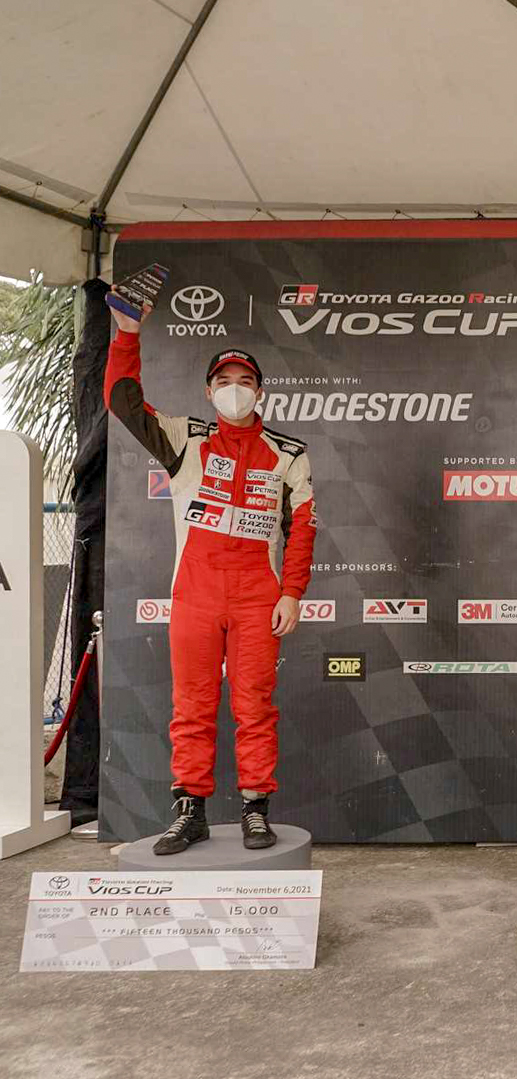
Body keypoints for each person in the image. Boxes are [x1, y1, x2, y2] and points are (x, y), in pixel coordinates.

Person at [104, 297, 316, 854]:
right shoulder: (186, 439)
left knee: (254, 707)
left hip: (257, 596)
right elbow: (123, 402)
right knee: (192, 706)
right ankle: (190, 812)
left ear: (260, 391)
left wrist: (292, 593)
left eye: (245, 381)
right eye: (224, 381)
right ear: (208, 391)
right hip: (195, 593)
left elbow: (303, 528)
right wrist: (126, 335)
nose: (235, 389)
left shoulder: (289, 453)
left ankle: (255, 811)